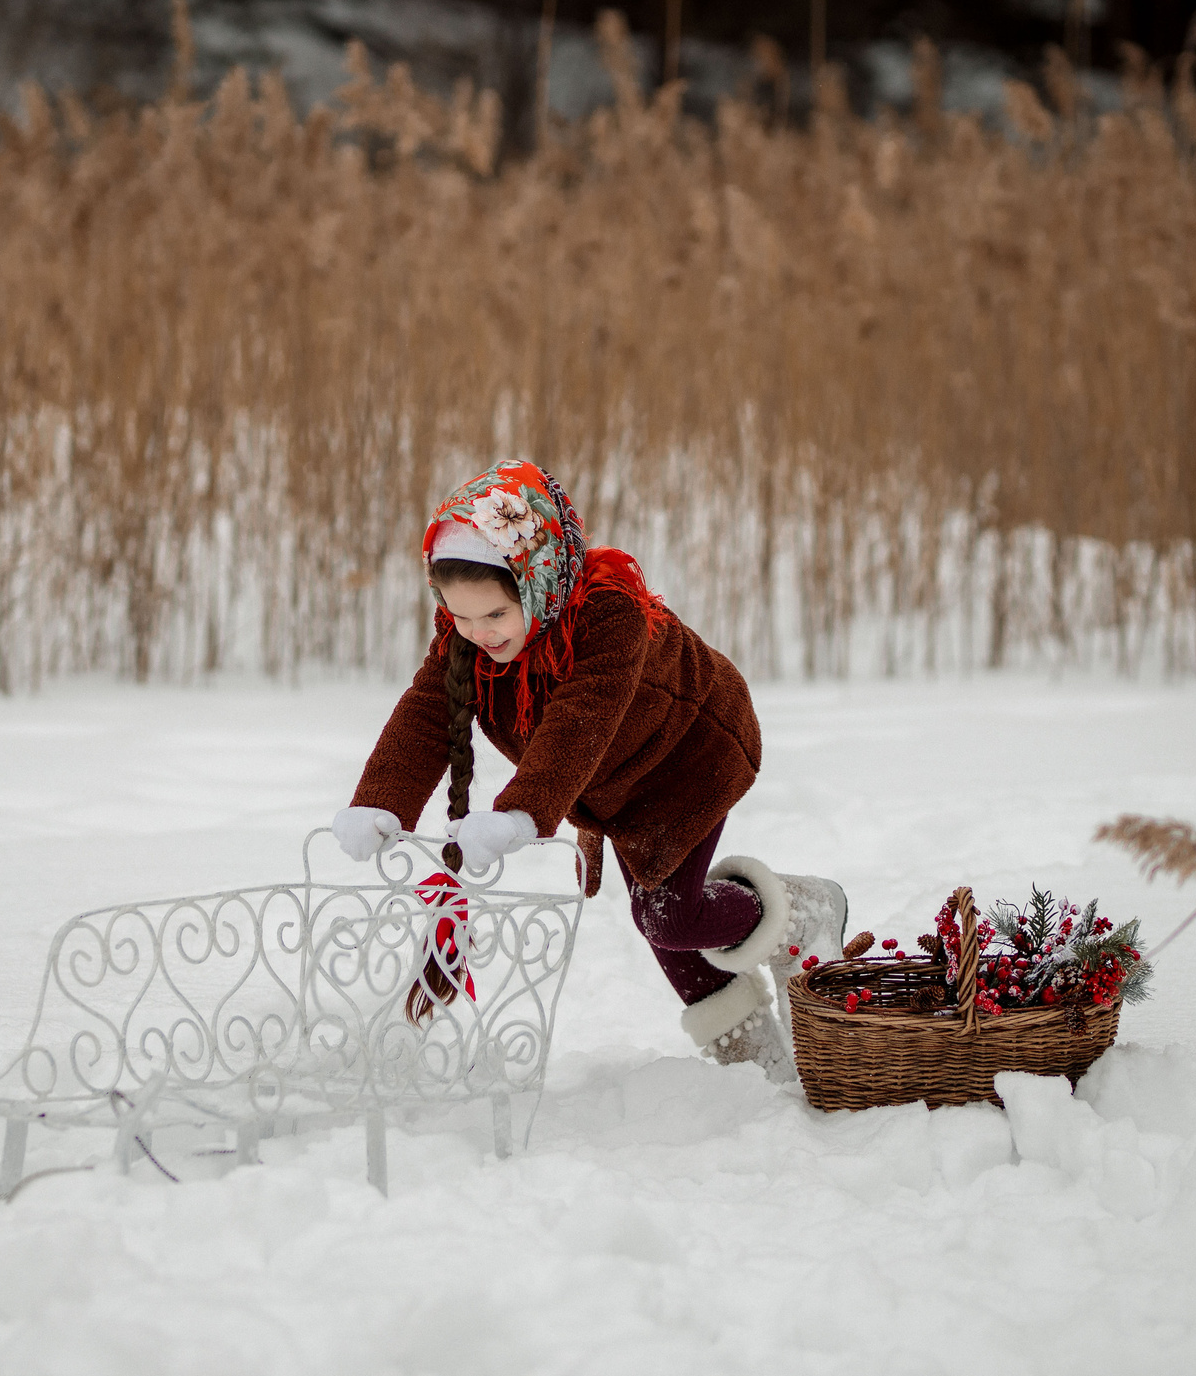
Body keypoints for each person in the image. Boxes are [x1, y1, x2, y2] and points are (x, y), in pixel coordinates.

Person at [332, 460, 845, 1081]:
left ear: (537, 580)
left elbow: (583, 717)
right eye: (458, 616)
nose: (477, 634)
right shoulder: (467, 637)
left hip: (688, 755)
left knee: (668, 916)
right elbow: (428, 709)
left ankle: (800, 910)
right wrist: (381, 799)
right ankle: (749, 1059)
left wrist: (524, 809)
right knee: (661, 919)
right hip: (611, 781)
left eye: (494, 615)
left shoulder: (609, 616)